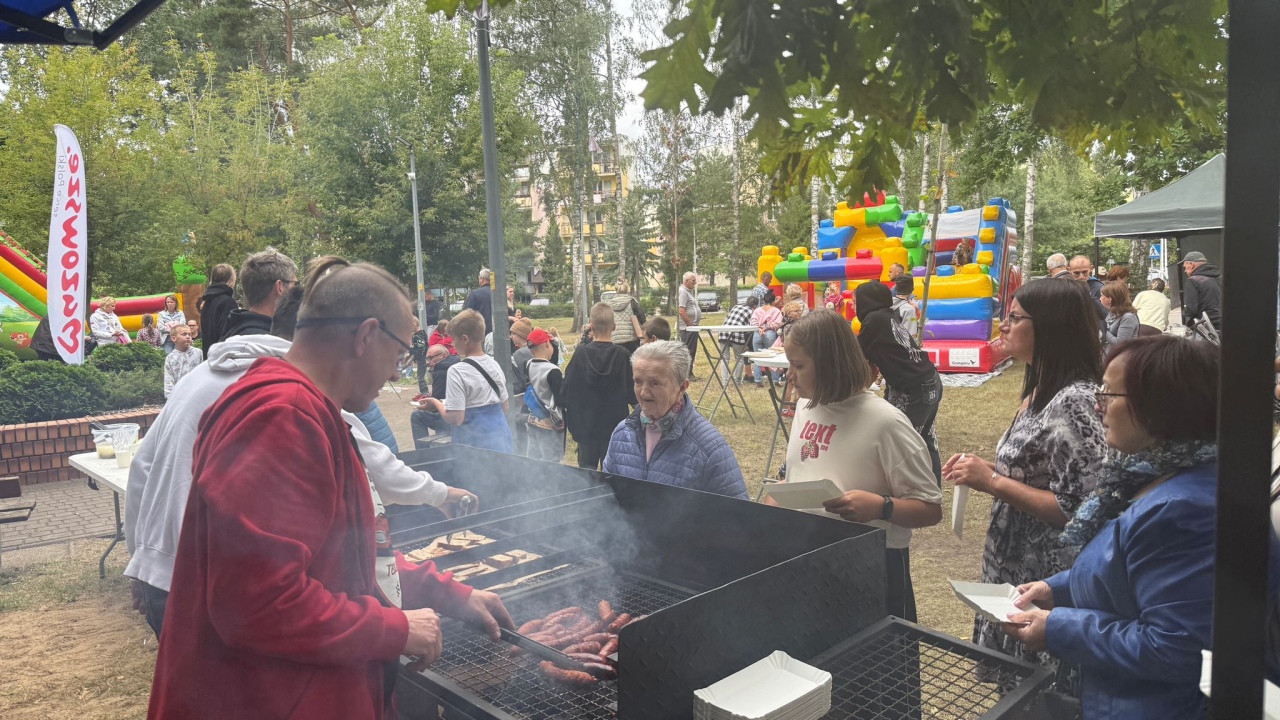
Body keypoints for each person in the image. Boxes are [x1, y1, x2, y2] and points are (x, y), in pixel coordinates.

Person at [146, 261, 509, 718]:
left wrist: (448, 593)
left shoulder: (305, 409)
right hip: (264, 698)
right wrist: (393, 629)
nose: (396, 375)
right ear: (365, 337)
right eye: (399, 354)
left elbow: (343, 556)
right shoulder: (281, 417)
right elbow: (255, 604)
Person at [1004, 337, 1280, 718]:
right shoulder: (1158, 474)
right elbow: (1137, 571)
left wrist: (1058, 628)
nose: (1098, 405)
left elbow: (1176, 648)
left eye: (1109, 394)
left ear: (1160, 407)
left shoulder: (1186, 510)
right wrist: (1057, 588)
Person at [942, 278, 1108, 671]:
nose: (1002, 325)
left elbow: (1084, 509)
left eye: (1014, 317)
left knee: (1038, 697)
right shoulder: (1039, 389)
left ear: (1050, 327)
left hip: (1048, 576)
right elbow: (1038, 471)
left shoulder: (1076, 400)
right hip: (1014, 566)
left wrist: (992, 481)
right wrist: (987, 467)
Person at [777, 309, 943, 620]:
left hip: (873, 571)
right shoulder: (805, 406)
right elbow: (798, 471)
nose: (789, 375)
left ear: (830, 364)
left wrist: (882, 507)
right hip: (810, 561)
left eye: (798, 365)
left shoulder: (886, 423)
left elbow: (931, 509)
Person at [603, 341, 747, 498]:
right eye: (638, 381)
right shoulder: (622, 435)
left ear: (682, 387)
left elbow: (737, 517)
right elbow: (606, 500)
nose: (643, 393)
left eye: (654, 383)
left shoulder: (709, 449)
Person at [855, 282, 944, 484]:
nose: (854, 306)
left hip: (914, 387)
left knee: (905, 441)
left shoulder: (874, 320)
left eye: (856, 301)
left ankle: (914, 493)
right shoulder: (887, 315)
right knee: (925, 439)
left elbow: (855, 353)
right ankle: (932, 492)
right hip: (926, 381)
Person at [417, 309, 512, 453]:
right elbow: (505, 406)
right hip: (500, 440)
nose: (452, 344)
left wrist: (435, 403)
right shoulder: (494, 364)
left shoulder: (457, 371)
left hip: (473, 447)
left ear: (465, 339)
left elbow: (456, 419)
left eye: (454, 339)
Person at [564, 303, 636, 470]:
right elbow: (633, 394)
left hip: (586, 428)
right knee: (612, 474)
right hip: (614, 428)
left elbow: (567, 389)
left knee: (586, 475)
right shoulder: (623, 355)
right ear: (614, 327)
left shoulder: (581, 354)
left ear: (592, 326)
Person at [222, 247, 298, 341]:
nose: (297, 290)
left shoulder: (231, 334)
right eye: (295, 284)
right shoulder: (272, 346)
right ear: (280, 287)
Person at [523, 329, 565, 462]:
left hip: (533, 419)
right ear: (547, 344)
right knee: (551, 461)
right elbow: (560, 399)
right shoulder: (553, 371)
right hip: (549, 425)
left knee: (533, 459)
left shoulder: (528, 365)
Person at [411, 344, 460, 448]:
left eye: (431, 358)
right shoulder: (458, 363)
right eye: (427, 359)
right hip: (463, 416)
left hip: (452, 420)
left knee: (417, 415)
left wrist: (427, 403)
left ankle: (422, 454)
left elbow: (435, 405)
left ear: (443, 356)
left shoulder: (441, 371)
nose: (429, 362)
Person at [197, 263, 238, 358]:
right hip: (223, 357)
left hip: (209, 354)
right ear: (231, 280)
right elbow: (229, 333)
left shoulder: (206, 301)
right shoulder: (228, 302)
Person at [506, 318, 535, 456]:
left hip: (523, 399)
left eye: (514, 334)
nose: (511, 337)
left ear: (522, 335)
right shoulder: (532, 350)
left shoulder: (519, 354)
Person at [1180, 250, 1222, 333]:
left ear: (1191, 264)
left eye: (1185, 267)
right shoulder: (1220, 277)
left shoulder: (1193, 280)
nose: (1185, 271)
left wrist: (1187, 320)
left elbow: (1191, 308)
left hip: (1208, 328)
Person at [719, 295, 757, 384]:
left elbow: (727, 318)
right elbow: (749, 329)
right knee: (739, 358)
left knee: (725, 358)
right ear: (755, 306)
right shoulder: (752, 311)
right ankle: (738, 381)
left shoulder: (736, 306)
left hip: (723, 332)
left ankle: (724, 381)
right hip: (737, 334)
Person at [750, 291, 784, 384]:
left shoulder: (757, 310)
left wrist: (760, 328)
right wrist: (767, 327)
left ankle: (757, 380)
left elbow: (753, 321)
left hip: (757, 333)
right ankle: (775, 380)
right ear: (773, 301)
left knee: (757, 357)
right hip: (770, 333)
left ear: (763, 300)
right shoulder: (776, 311)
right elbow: (778, 323)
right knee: (773, 357)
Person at [607, 280, 647, 355]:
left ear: (616, 290)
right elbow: (642, 319)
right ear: (627, 290)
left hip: (615, 340)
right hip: (632, 340)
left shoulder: (609, 304)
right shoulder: (632, 302)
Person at [163, 324, 203, 398]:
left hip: (197, 394)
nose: (188, 337)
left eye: (189, 335)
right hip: (179, 396)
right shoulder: (170, 358)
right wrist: (170, 398)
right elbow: (169, 380)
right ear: (174, 338)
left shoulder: (198, 353)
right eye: (184, 334)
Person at [1100, 280, 1140, 354]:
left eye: (1102, 296)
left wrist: (1103, 329)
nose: (1100, 298)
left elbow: (1120, 344)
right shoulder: (1113, 312)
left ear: (1110, 299)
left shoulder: (1128, 318)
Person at [677, 271, 702, 379]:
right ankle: (687, 374)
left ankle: (689, 372)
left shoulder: (688, 292)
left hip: (692, 327)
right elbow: (681, 311)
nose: (695, 283)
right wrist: (690, 324)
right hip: (688, 328)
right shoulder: (683, 292)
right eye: (693, 280)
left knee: (692, 350)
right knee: (688, 351)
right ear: (686, 281)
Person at [1069, 255, 1108, 321]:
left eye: (1084, 272)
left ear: (1091, 268)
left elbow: (1106, 315)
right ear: (1069, 270)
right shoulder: (1066, 287)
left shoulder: (1099, 288)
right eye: (1076, 273)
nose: (1081, 276)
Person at [463, 268, 495, 336]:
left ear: (482, 279)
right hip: (497, 332)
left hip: (480, 332)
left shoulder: (475, 294)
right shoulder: (498, 293)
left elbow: (467, 313)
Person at [411, 317, 429, 393]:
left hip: (422, 358)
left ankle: (425, 392)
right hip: (420, 358)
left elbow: (421, 349)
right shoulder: (416, 335)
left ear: (414, 325)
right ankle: (422, 392)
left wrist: (413, 355)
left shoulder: (419, 336)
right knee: (419, 375)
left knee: (421, 376)